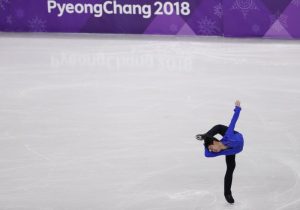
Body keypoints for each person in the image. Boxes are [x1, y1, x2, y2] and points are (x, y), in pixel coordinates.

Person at [195, 100, 244, 204]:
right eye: (212, 150)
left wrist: (237, 108)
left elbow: (233, 120)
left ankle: (205, 135)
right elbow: (207, 155)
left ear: (214, 142)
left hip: (235, 136)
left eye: (211, 148)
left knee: (218, 127)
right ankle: (227, 193)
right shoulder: (219, 152)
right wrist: (206, 146)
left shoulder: (228, 135)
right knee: (230, 169)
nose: (213, 151)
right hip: (231, 151)